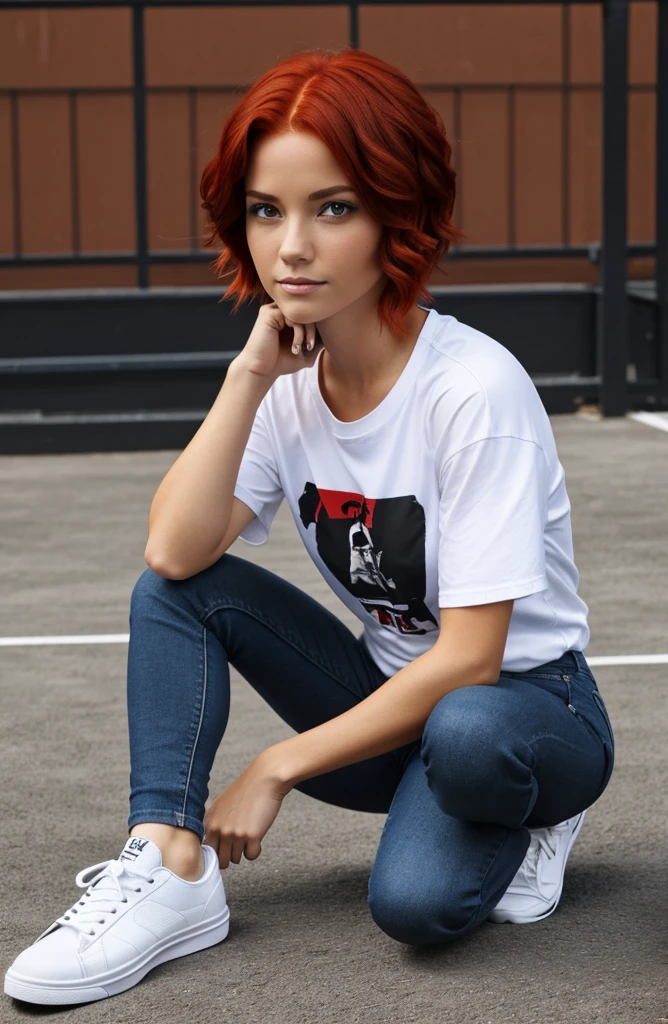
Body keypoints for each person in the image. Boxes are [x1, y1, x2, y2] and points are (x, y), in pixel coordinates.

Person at [4, 47, 615, 1007]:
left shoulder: (474, 389)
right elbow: (173, 552)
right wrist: (249, 376)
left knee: (419, 895)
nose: (291, 247)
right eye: (265, 209)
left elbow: (470, 660)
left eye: (333, 208)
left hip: (526, 710)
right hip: (389, 707)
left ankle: (539, 814)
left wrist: (276, 766)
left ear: (396, 216)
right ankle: (166, 864)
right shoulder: (288, 384)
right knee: (178, 589)